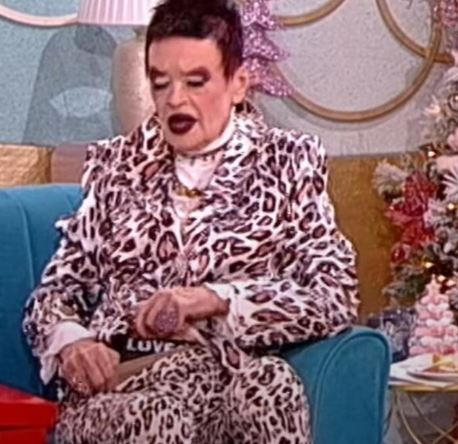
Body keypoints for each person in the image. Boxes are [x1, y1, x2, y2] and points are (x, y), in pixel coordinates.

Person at [22, 0, 359, 443]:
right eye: (161, 83)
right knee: (161, 415)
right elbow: (55, 294)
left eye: (195, 82)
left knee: (270, 384)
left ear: (238, 84)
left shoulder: (287, 163)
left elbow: (334, 295)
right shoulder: (118, 167)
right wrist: (73, 343)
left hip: (223, 378)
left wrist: (216, 299)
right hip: (126, 387)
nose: (175, 100)